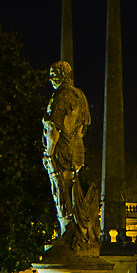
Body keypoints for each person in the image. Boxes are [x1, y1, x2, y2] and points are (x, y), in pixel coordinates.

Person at [41, 62, 94, 247]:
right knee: (71, 188)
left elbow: (52, 128)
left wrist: (49, 153)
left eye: (54, 74)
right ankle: (75, 231)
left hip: (61, 150)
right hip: (76, 151)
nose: (51, 78)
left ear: (64, 75)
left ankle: (68, 232)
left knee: (60, 190)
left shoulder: (60, 97)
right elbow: (84, 127)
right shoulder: (80, 96)